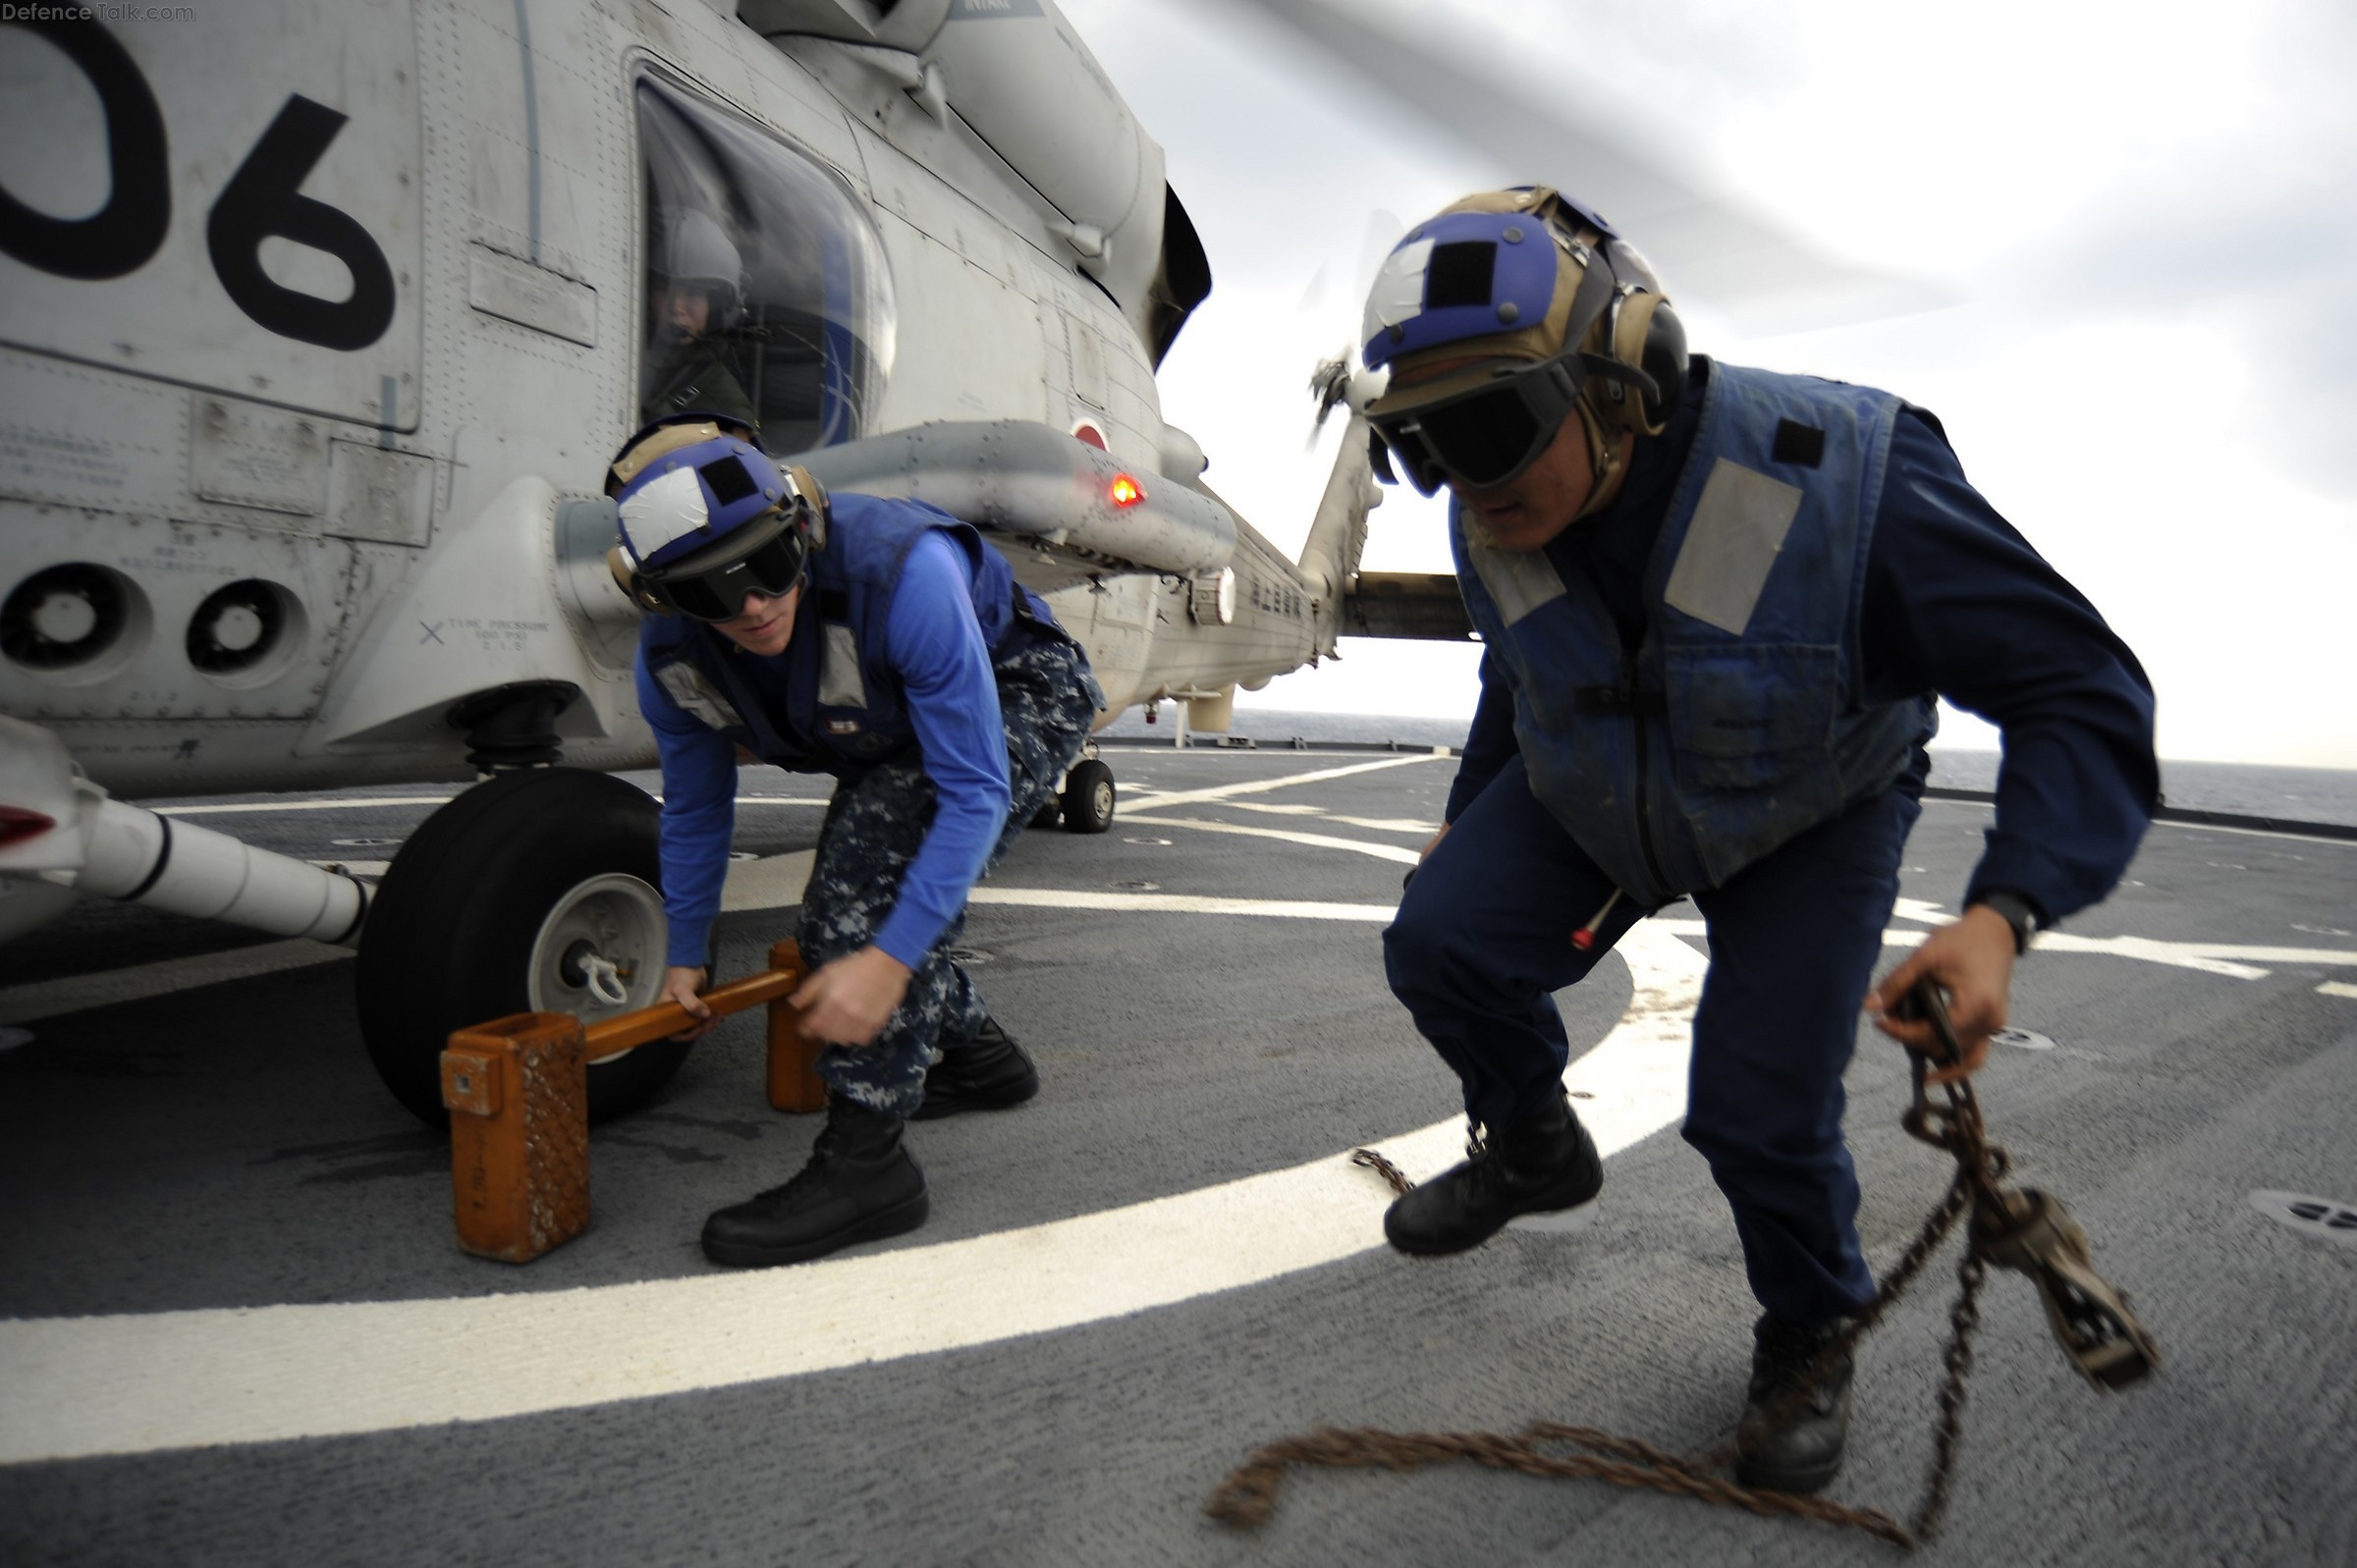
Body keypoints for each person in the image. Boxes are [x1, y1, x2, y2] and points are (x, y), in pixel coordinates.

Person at [1356, 189, 2157, 1493]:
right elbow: (1524, 666)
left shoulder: (1849, 478)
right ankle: (1534, 1143)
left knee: (1759, 1111)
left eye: (1489, 427)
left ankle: (1808, 1329)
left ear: (1624, 379)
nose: (1461, 478)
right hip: (1603, 790)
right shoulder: (1498, 502)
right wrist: (1465, 822)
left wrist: (2001, 913)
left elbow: (2079, 687)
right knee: (1442, 941)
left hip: (1809, 806)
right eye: (1419, 444)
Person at [608, 414, 1103, 1268]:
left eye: (765, 566)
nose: (752, 605)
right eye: (708, 592)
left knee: (857, 916)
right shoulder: (674, 661)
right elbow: (694, 809)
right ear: (664, 600)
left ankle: (870, 1168)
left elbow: (974, 789)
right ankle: (982, 1059)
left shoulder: (903, 576)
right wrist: (684, 950)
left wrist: (890, 957)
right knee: (852, 905)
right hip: (896, 732)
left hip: (1020, 691)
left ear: (800, 529)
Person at [639, 210, 759, 433]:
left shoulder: (725, 405)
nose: (676, 307)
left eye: (693, 294)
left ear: (716, 309)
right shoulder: (626, 348)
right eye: (665, 290)